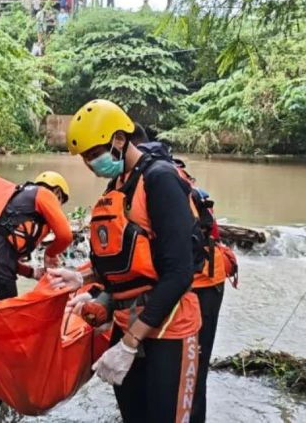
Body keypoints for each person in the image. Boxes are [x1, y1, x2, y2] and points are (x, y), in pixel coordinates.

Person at [49, 99, 203, 422]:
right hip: (127, 324)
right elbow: (123, 260)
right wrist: (84, 279)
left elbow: (179, 272)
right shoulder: (117, 186)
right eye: (85, 158)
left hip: (168, 330)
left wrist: (130, 343)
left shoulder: (160, 179)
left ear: (119, 139)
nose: (91, 164)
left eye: (94, 154)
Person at [128, 124, 239, 423]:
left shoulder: (158, 177)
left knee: (191, 377)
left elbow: (179, 264)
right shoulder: (131, 178)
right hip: (172, 282)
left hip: (201, 282)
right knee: (163, 378)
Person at [0, 171, 73, 409]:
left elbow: (1, 248)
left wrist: (32, 273)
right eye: (60, 202)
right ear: (56, 193)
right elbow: (65, 235)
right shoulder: (44, 194)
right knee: (5, 342)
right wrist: (50, 253)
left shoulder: (17, 201)